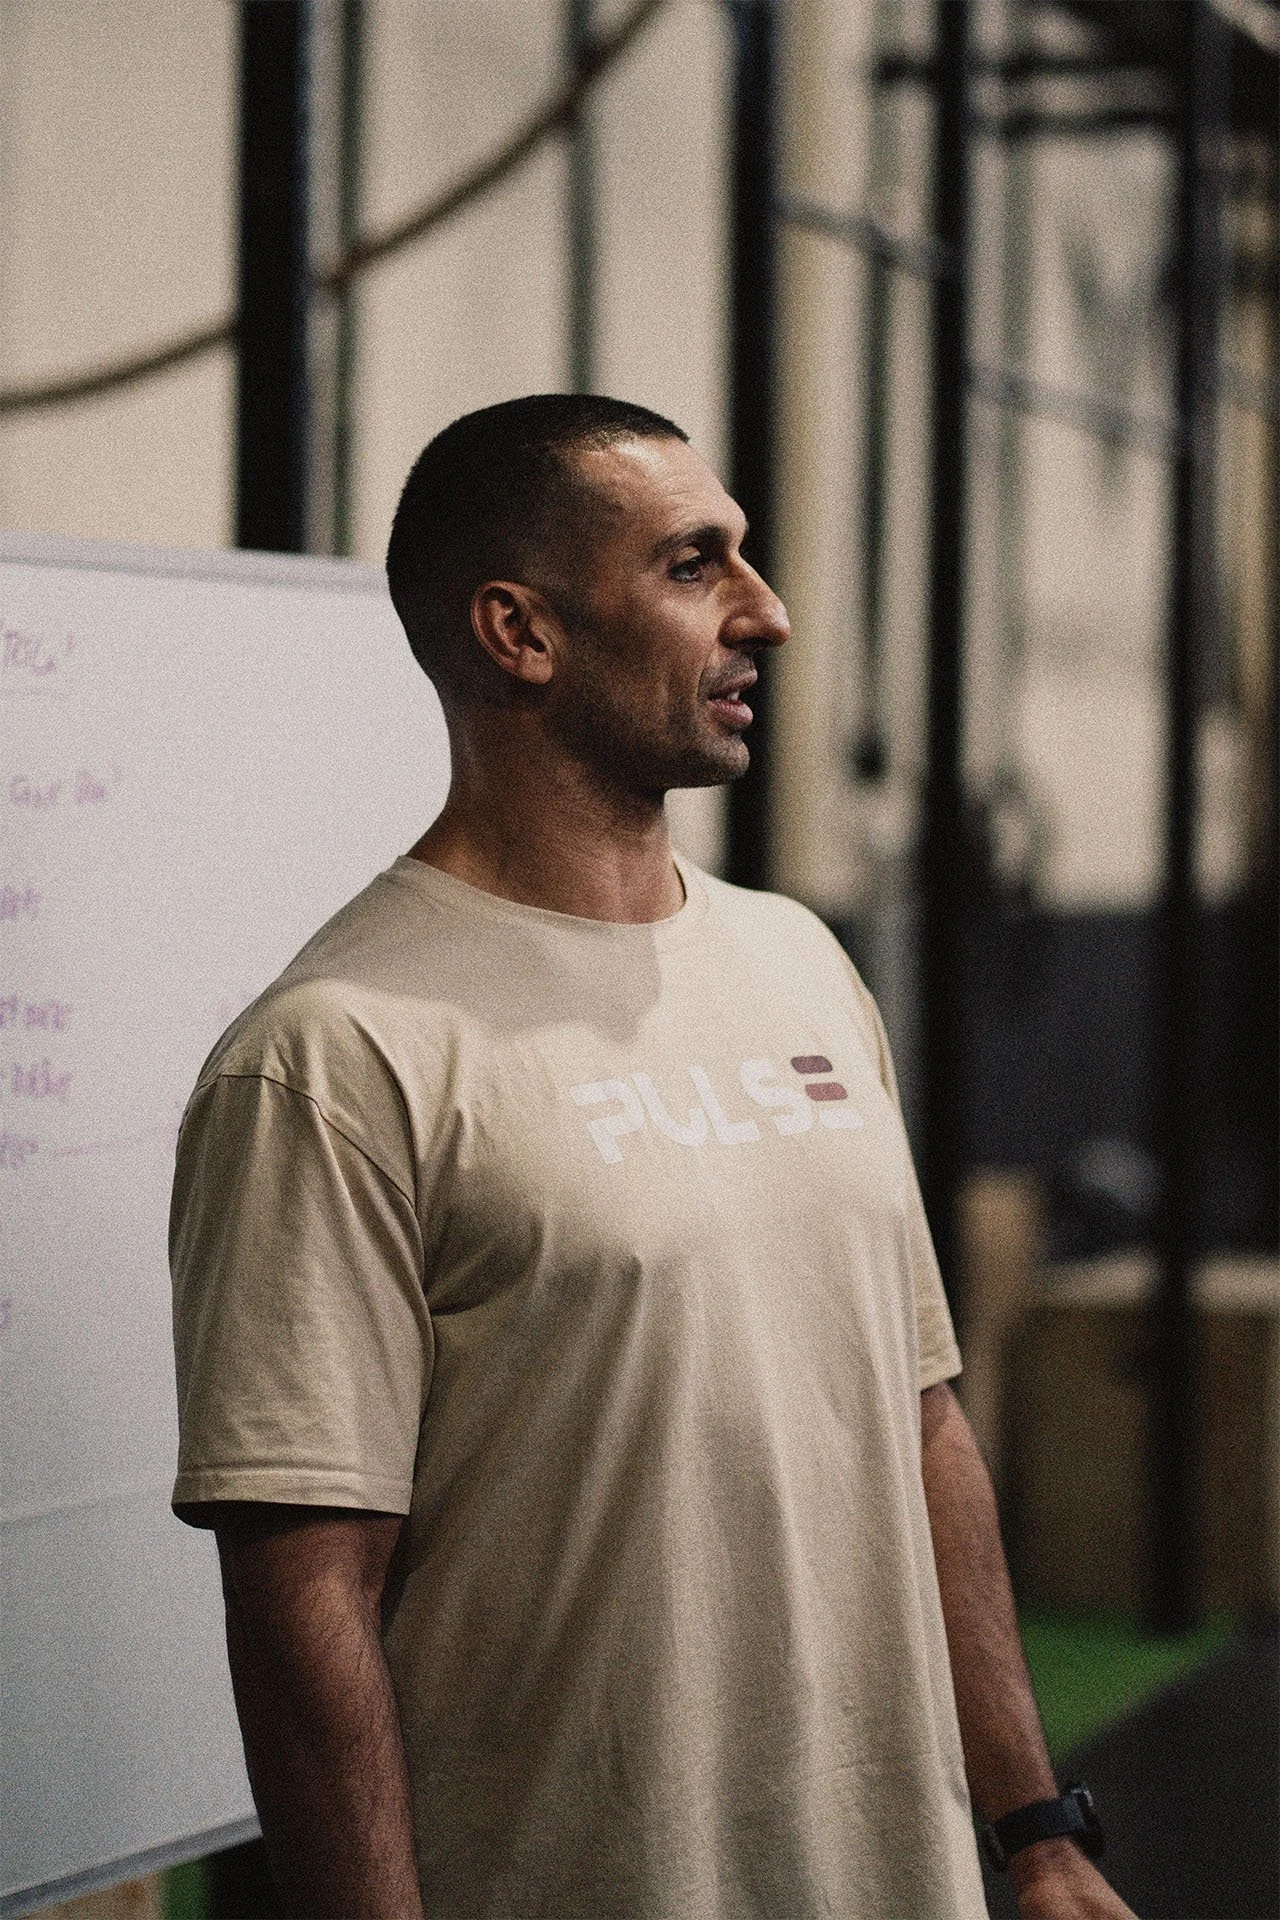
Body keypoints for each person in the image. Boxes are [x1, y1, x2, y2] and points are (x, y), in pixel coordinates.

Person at [170, 394, 1136, 1920]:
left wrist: (1038, 1829)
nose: (771, 612)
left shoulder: (803, 961)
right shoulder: (335, 1054)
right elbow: (306, 1604)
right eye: (698, 565)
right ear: (521, 633)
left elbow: (922, 1422)